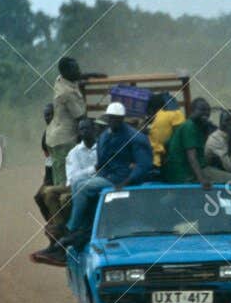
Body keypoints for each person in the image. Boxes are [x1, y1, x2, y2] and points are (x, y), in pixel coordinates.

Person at [54, 102, 157, 252]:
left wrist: (126, 181)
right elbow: (102, 162)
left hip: (120, 179)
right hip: (107, 176)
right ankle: (83, 224)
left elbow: (144, 165)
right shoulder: (105, 136)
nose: (113, 121)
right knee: (77, 182)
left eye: (116, 118)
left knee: (83, 187)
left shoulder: (135, 137)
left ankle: (72, 227)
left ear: (122, 119)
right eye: (111, 118)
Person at [31, 117, 98, 264]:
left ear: (94, 130)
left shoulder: (100, 149)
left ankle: (67, 233)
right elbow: (73, 177)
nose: (84, 132)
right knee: (47, 193)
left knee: (64, 199)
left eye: (87, 128)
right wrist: (91, 170)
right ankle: (59, 231)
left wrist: (86, 174)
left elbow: (101, 171)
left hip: (94, 185)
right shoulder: (75, 152)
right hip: (76, 184)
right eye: (81, 129)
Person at [44, 57, 90, 179]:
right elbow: (81, 118)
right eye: (75, 70)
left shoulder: (60, 80)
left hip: (56, 134)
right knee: (65, 179)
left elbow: (77, 76)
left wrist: (91, 75)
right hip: (64, 140)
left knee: (61, 173)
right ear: (66, 72)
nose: (79, 72)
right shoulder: (67, 93)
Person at [161, 97, 216, 186]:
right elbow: (192, 157)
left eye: (208, 110)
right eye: (202, 110)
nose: (206, 113)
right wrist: (201, 179)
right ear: (192, 111)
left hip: (190, 172)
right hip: (186, 174)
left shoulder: (199, 127)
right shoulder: (189, 127)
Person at [148, 93, 187, 168]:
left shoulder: (157, 122)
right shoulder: (176, 114)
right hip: (173, 156)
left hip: (159, 159)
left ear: (152, 109)